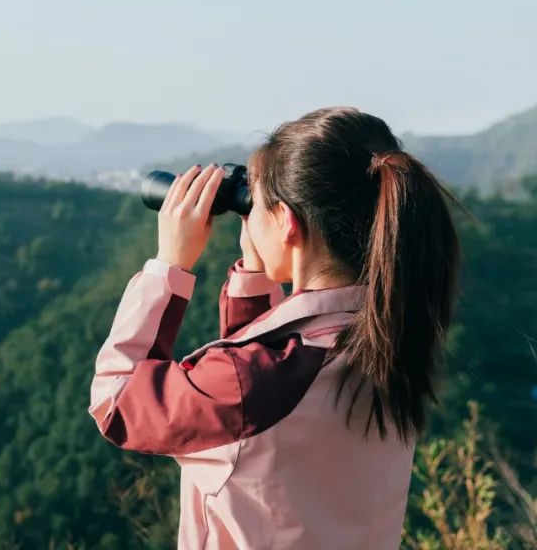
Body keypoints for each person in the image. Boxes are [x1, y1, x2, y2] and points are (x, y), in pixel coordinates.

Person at [87, 106, 466, 549]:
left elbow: (116, 403)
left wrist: (169, 263)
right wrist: (255, 268)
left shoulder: (255, 382)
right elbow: (262, 403)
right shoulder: (387, 339)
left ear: (286, 222)